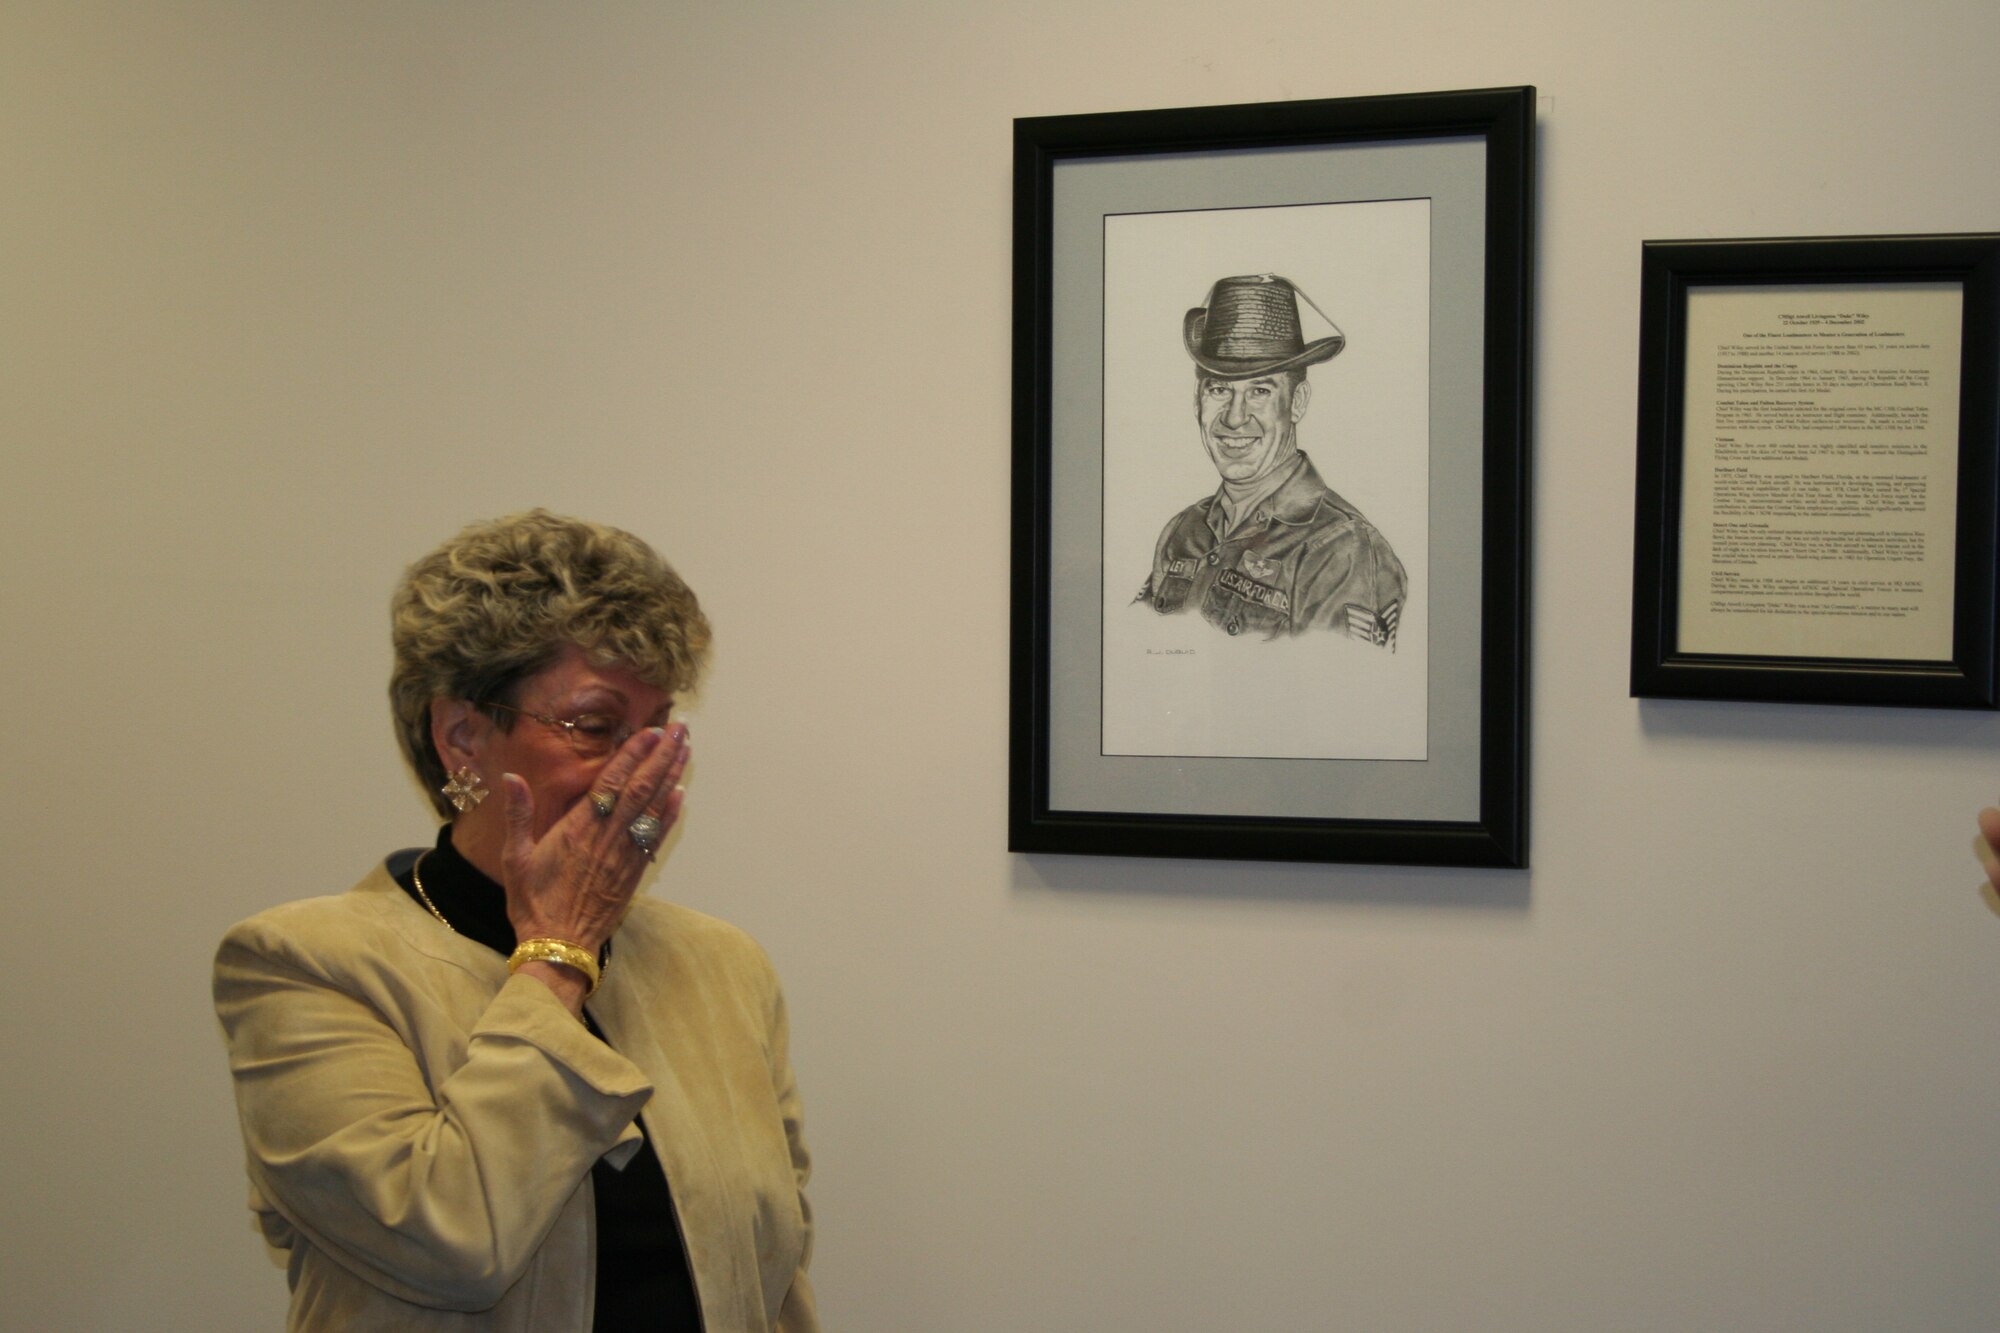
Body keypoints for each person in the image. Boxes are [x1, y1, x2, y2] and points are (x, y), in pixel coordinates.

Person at [214, 511, 816, 1331]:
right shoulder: (304, 964)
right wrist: (558, 954)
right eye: (598, 726)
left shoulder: (723, 967)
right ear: (463, 734)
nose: (637, 768)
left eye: (656, 730)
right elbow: (453, 1241)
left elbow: (776, 1277)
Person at [1137, 272, 1407, 645]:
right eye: (1219, 389)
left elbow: (1348, 688)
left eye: (1260, 390)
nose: (1234, 417)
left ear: (1297, 402)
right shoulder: (1183, 531)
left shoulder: (1342, 549)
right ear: (1197, 401)